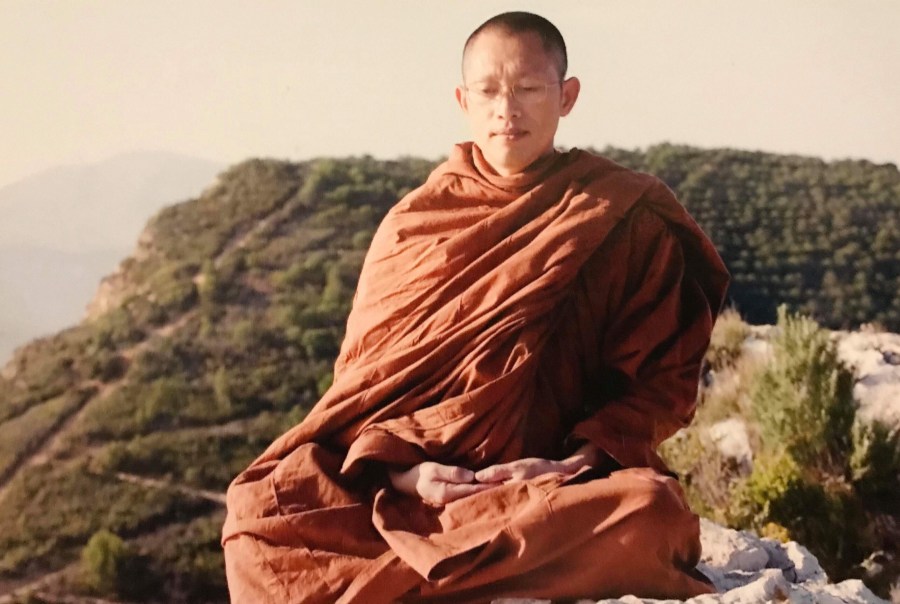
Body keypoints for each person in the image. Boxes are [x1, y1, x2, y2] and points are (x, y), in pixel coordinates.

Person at [222, 11, 730, 603]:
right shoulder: (415, 224)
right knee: (257, 517)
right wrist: (405, 475)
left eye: (528, 89)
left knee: (650, 511)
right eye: (488, 92)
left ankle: (416, 583)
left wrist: (575, 462)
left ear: (567, 97)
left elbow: (660, 385)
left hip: (550, 489)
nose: (506, 110)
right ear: (463, 101)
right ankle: (479, 572)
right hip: (419, 491)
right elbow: (359, 395)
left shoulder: (618, 213)